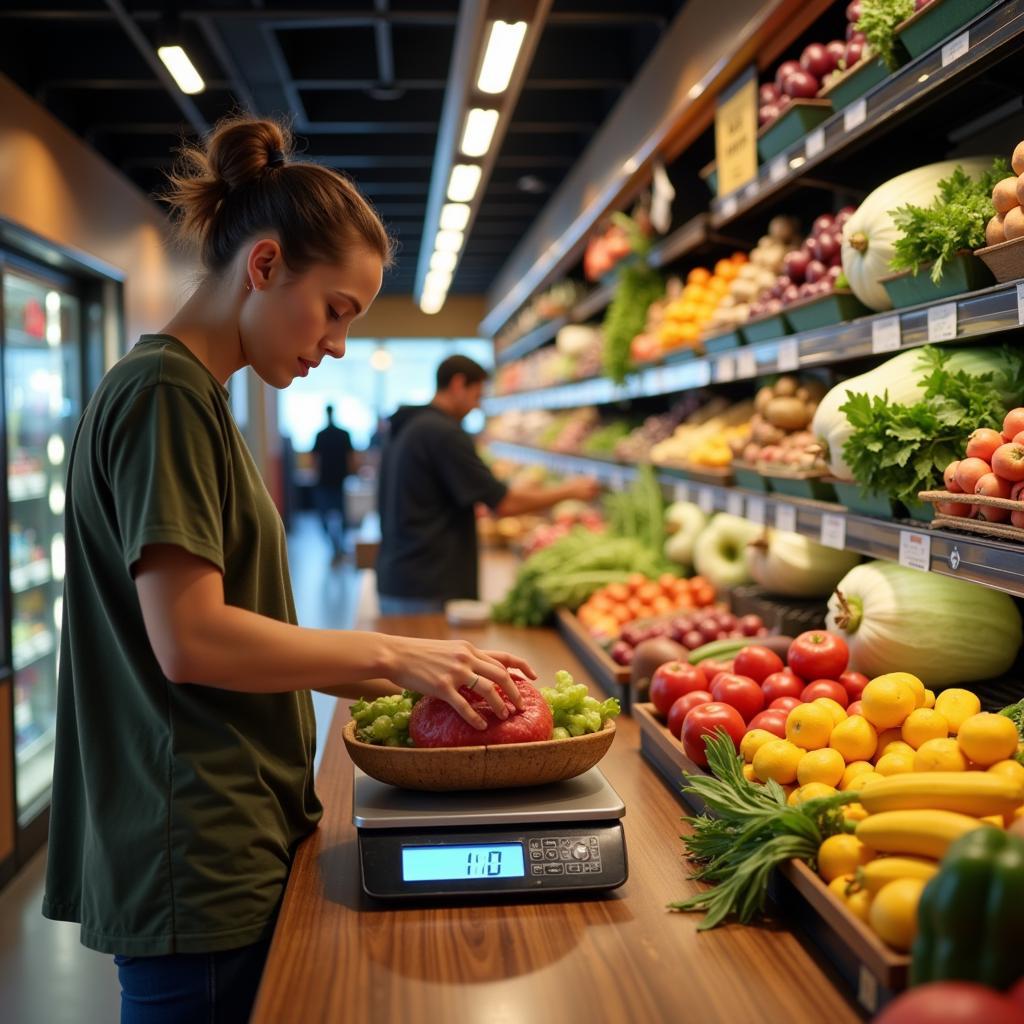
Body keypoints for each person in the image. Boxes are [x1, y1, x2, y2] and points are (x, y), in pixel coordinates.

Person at [42, 115, 534, 1024]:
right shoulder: (165, 394)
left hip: (213, 836)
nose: (339, 342)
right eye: (337, 309)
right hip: (193, 846)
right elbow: (190, 641)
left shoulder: (190, 394)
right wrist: (391, 656)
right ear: (263, 266)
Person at [376, 355, 600, 615]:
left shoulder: (410, 425)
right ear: (459, 384)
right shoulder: (443, 432)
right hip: (428, 585)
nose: (477, 405)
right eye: (477, 395)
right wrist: (570, 491)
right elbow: (503, 504)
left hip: (401, 576)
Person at [312, 402, 355, 564]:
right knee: (343, 515)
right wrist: (352, 473)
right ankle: (339, 545)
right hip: (340, 479)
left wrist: (315, 476)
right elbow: (351, 458)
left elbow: (314, 459)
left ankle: (335, 546)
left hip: (324, 480)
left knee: (325, 516)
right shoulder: (343, 434)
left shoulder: (321, 434)